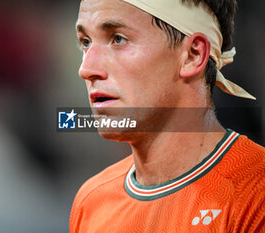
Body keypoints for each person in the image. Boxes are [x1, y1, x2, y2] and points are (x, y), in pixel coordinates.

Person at [70, 0, 265, 232]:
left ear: (193, 55)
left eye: (118, 39)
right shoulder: (90, 201)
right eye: (86, 42)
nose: (86, 68)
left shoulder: (256, 191)